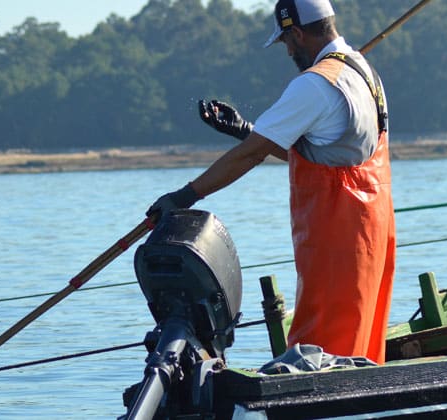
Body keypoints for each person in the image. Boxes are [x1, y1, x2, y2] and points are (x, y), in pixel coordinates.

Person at [147, 0, 396, 364]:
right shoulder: (366, 73)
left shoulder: (315, 84)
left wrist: (185, 195)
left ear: (296, 33)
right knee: (359, 343)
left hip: (337, 238)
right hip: (372, 233)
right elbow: (321, 158)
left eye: (286, 42)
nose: (289, 51)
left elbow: (251, 155)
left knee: (321, 350)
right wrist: (247, 131)